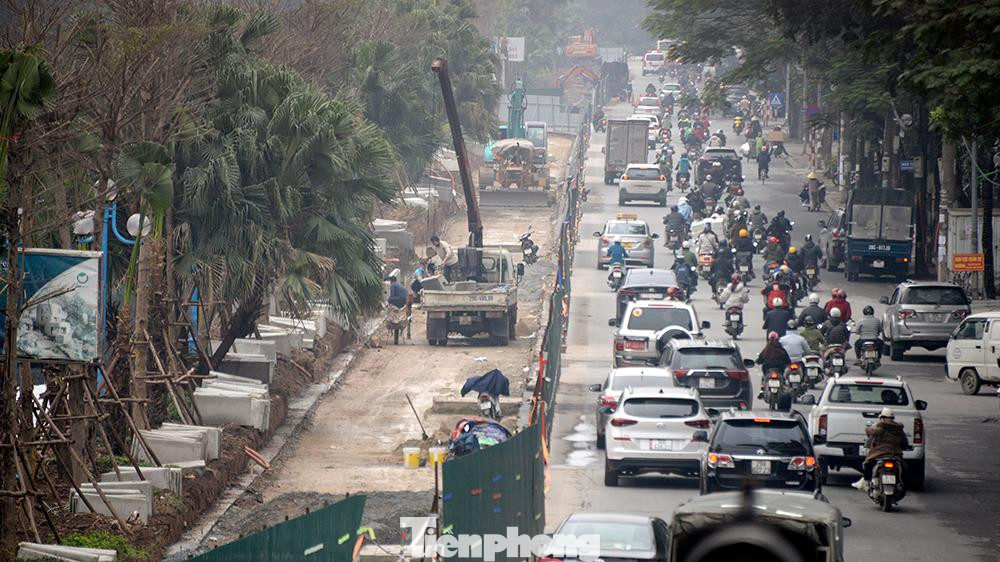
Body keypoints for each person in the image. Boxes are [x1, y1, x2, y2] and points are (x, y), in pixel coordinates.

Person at [853, 408, 909, 491]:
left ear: (882, 417)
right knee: (904, 468)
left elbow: (871, 432)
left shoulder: (881, 427)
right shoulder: (899, 429)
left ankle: (866, 483)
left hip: (879, 454)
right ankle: (901, 485)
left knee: (867, 464)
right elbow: (905, 444)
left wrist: (868, 428)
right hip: (895, 455)